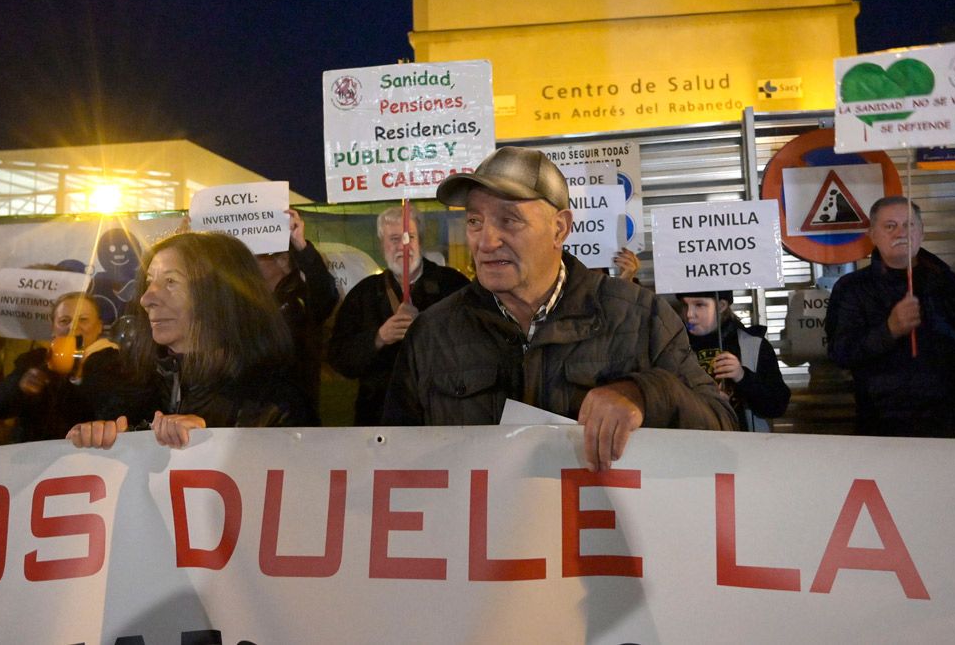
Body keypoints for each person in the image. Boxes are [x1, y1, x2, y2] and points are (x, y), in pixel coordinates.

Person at [383, 146, 737, 471]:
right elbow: (392, 458)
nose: (486, 241)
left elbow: (722, 428)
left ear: (560, 228)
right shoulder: (433, 334)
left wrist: (644, 394)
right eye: (475, 221)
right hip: (479, 537)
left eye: (509, 220)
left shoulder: (640, 316)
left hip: (599, 538)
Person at [66, 231, 315, 449]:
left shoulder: (275, 404)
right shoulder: (129, 386)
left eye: (171, 282)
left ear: (221, 295)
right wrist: (99, 443)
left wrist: (212, 443)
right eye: (150, 282)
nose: (146, 299)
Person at [825, 197, 955, 437]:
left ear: (922, 232)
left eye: (909, 225)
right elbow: (841, 353)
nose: (901, 233)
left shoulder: (948, 283)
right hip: (886, 426)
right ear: (873, 234)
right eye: (890, 226)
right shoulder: (852, 289)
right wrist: (889, 331)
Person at [329, 205, 469, 425]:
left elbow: (473, 346)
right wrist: (378, 338)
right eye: (394, 238)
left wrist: (425, 328)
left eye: (409, 237)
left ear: (420, 241)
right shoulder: (363, 294)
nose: (402, 246)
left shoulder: (454, 286)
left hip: (442, 413)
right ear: (381, 244)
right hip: (380, 416)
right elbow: (340, 360)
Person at [0, 292, 121, 442]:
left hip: (84, 458)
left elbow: (114, 411)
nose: (73, 327)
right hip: (33, 457)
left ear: (99, 327)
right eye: (64, 321)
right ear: (53, 328)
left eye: (83, 320)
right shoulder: (34, 360)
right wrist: (19, 388)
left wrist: (80, 375)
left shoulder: (114, 363)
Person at [255, 209, 339, 409]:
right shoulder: (247, 301)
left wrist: (301, 247)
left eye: (259, 255)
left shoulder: (302, 299)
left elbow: (325, 292)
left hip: (293, 411)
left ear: (283, 260)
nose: (251, 261)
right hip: (252, 412)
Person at [678, 290, 790, 431]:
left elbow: (777, 407)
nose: (689, 314)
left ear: (721, 306)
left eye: (699, 305)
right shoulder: (673, 347)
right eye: (684, 305)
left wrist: (742, 376)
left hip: (746, 446)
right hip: (688, 444)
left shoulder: (753, 346)